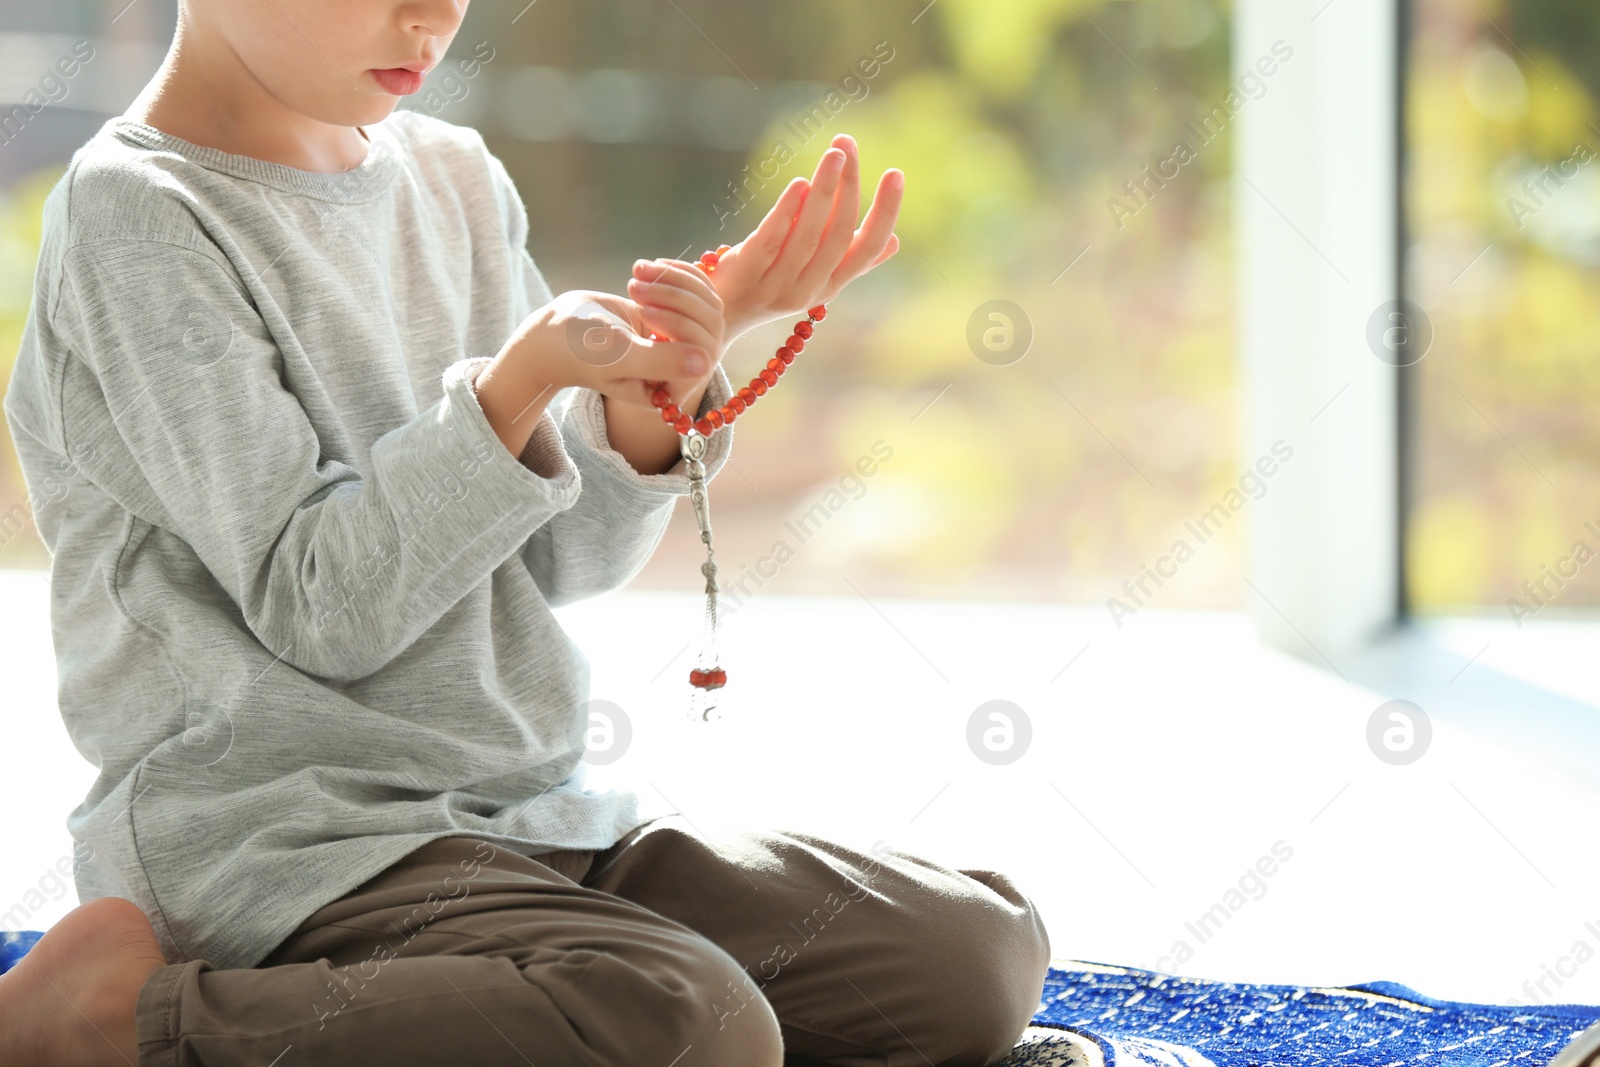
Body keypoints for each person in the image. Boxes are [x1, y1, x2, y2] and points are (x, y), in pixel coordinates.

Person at [0, 1, 1051, 1064]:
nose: (430, 18)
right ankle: (115, 1024)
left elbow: (556, 559)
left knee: (971, 955)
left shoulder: (452, 176)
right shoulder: (140, 214)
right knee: (698, 1026)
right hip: (288, 848)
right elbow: (319, 608)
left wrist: (652, 385)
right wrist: (512, 389)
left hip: (527, 816)